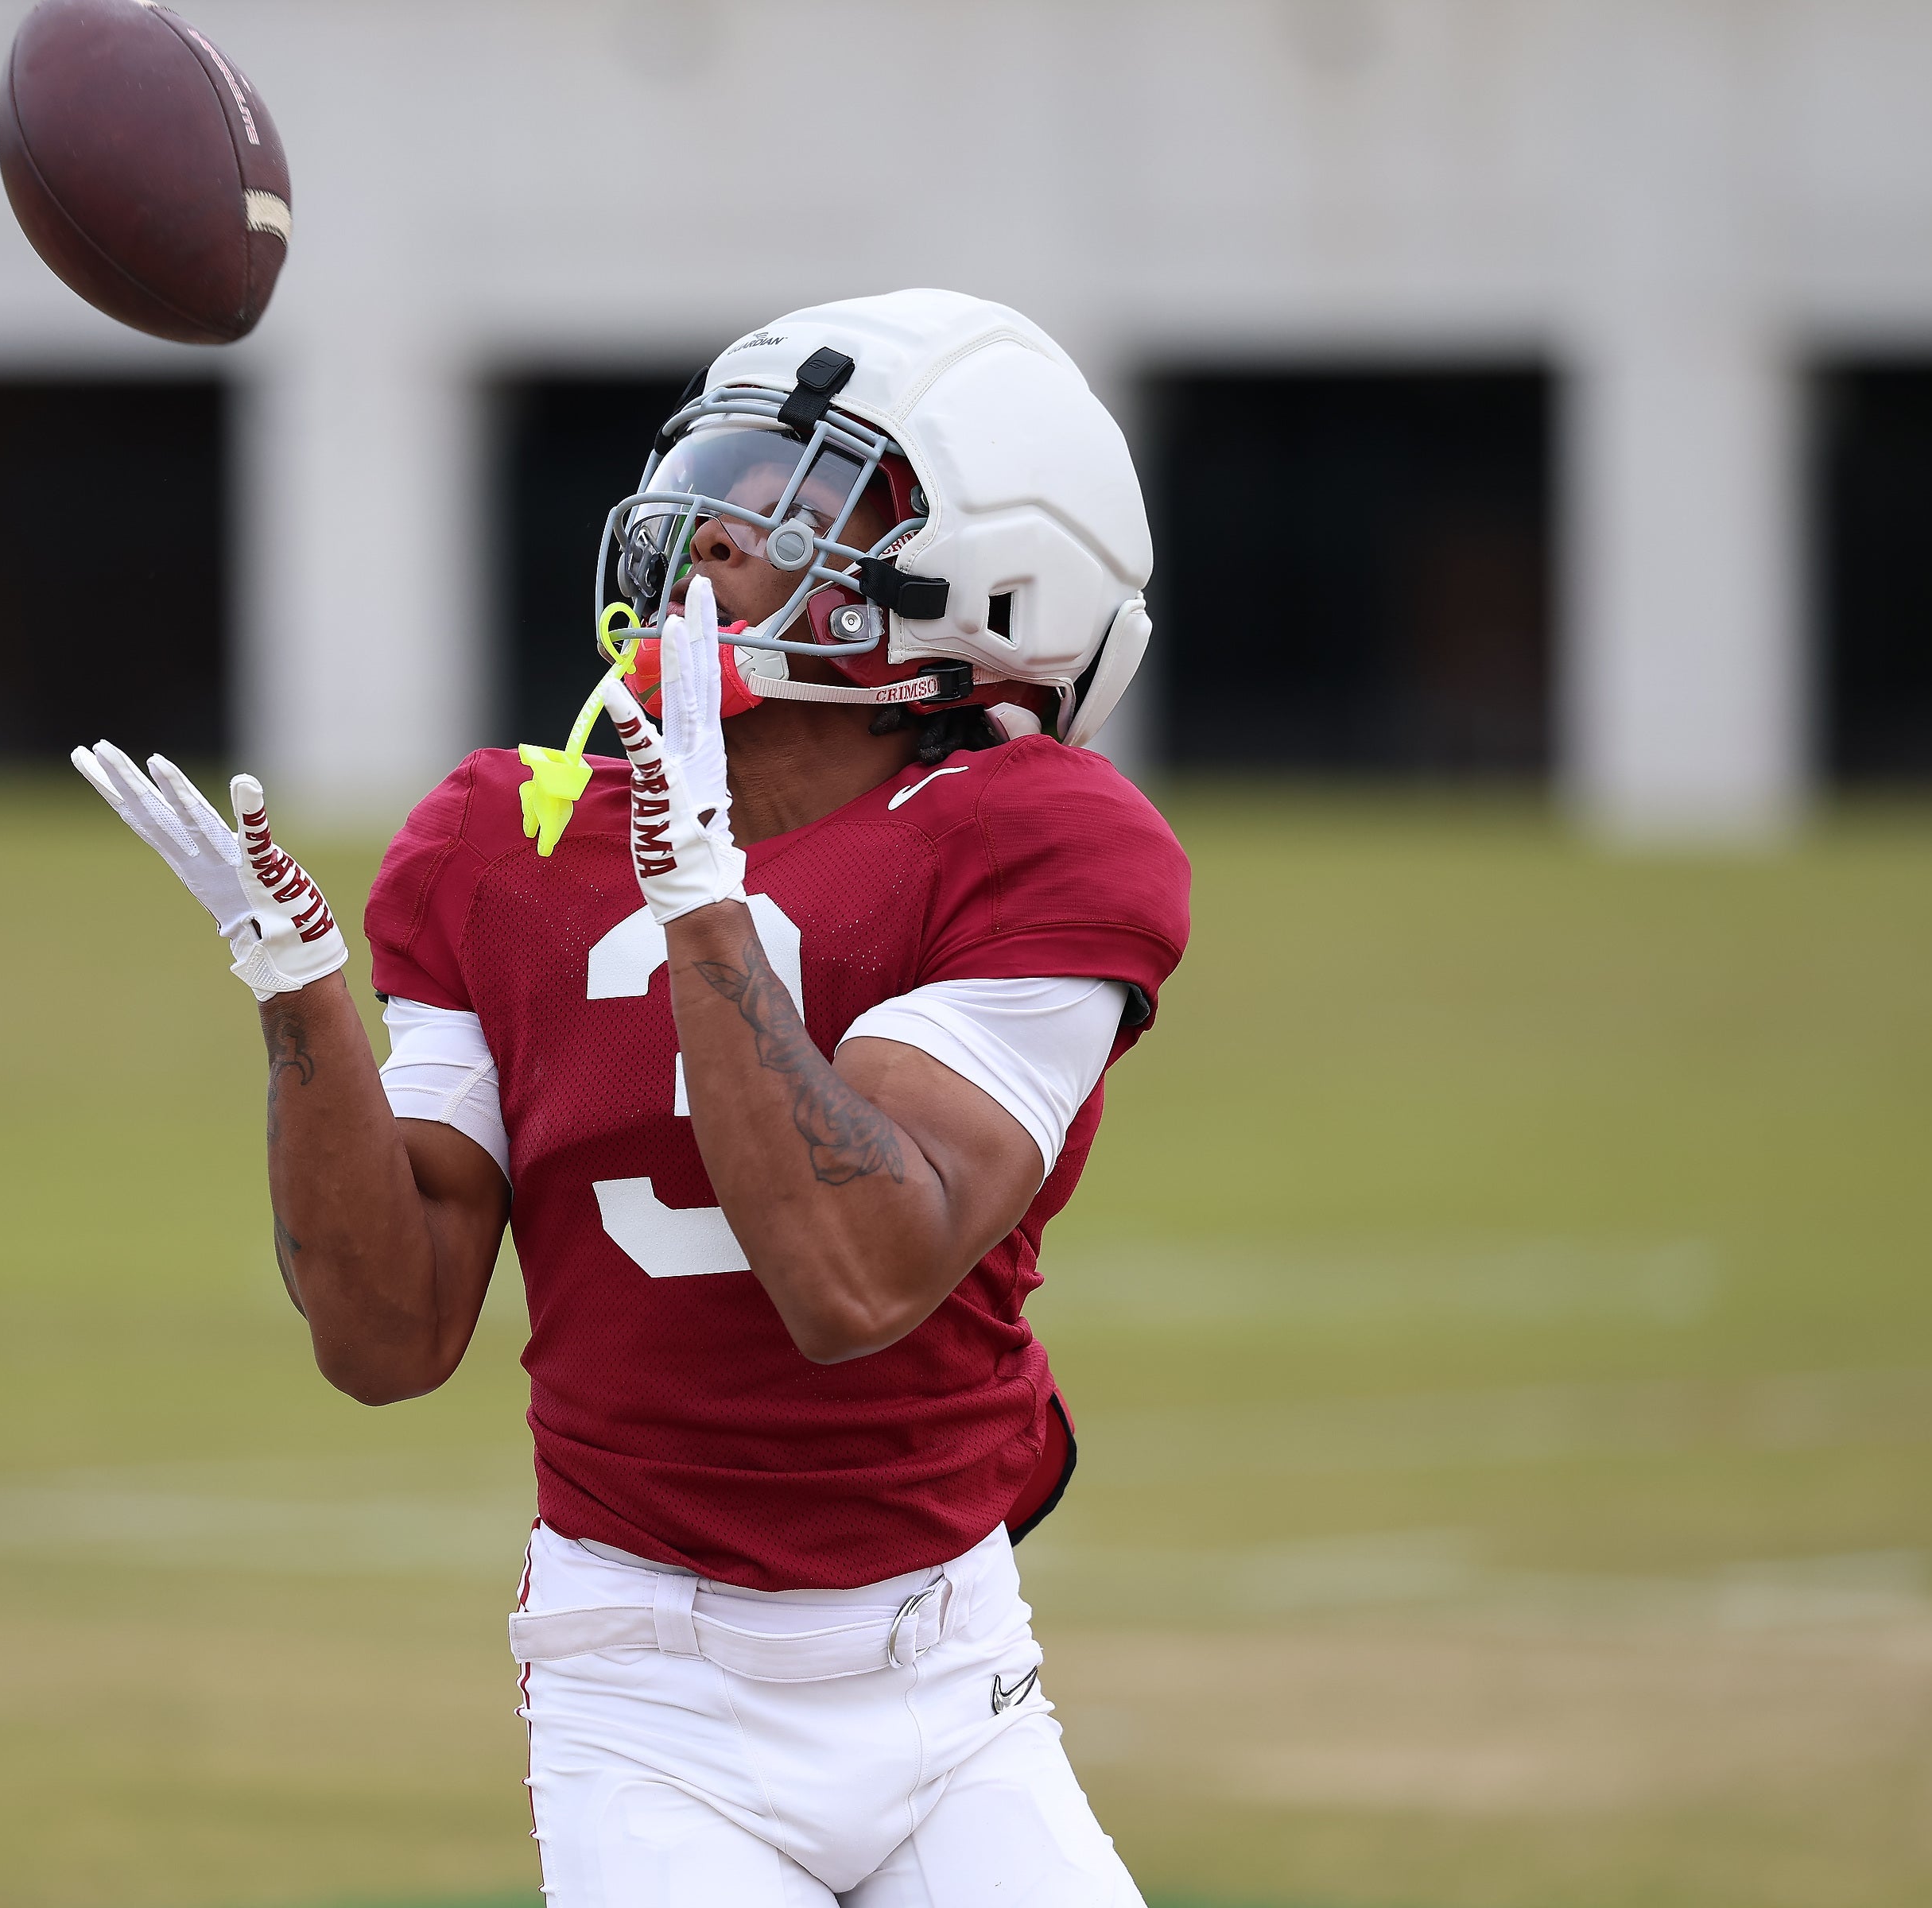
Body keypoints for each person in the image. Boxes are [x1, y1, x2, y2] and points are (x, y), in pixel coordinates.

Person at [74, 289, 1189, 1905]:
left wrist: (702, 906)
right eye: (719, 477)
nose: (717, 528)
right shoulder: (502, 841)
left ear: (993, 578)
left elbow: (856, 1275)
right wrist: (298, 996)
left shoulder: (1038, 839)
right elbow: (387, 1338)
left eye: (805, 495)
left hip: (949, 1674)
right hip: (647, 1688)